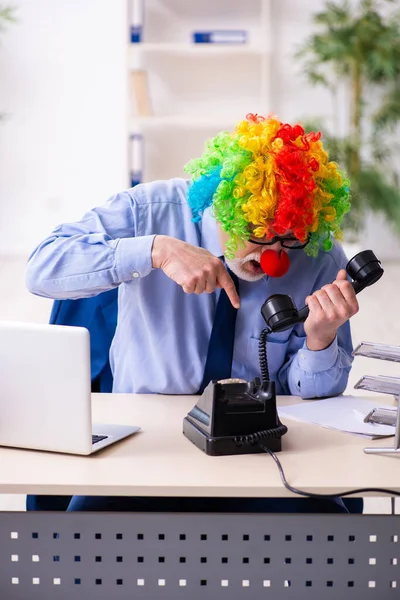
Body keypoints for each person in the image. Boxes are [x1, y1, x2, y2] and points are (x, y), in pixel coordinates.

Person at [25, 113, 359, 513]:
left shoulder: (319, 254)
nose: (275, 259)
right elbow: (42, 267)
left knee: (330, 532)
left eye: (289, 239)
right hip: (146, 441)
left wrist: (320, 342)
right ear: (221, 207)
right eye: (257, 235)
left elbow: (308, 397)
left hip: (256, 448)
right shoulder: (148, 210)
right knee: (82, 539)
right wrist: (154, 251)